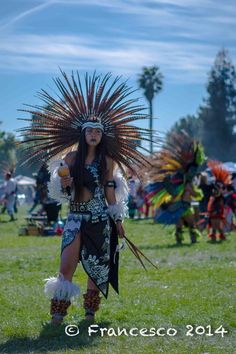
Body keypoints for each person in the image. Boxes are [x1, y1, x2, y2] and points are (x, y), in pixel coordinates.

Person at [19, 71, 155, 325]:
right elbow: (61, 191)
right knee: (66, 266)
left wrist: (118, 221)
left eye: (97, 131)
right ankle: (57, 316)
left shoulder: (107, 161)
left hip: (99, 220)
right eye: (90, 130)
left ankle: (90, 314)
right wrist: (64, 183)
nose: (93, 134)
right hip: (74, 219)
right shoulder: (70, 159)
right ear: (82, 133)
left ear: (102, 135)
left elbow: (110, 192)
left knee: (96, 268)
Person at [147, 131, 205, 244]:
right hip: (183, 207)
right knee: (190, 224)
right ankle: (189, 239)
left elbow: (192, 194)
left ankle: (182, 239)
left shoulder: (183, 184)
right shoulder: (185, 184)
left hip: (179, 207)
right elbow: (195, 195)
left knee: (181, 225)